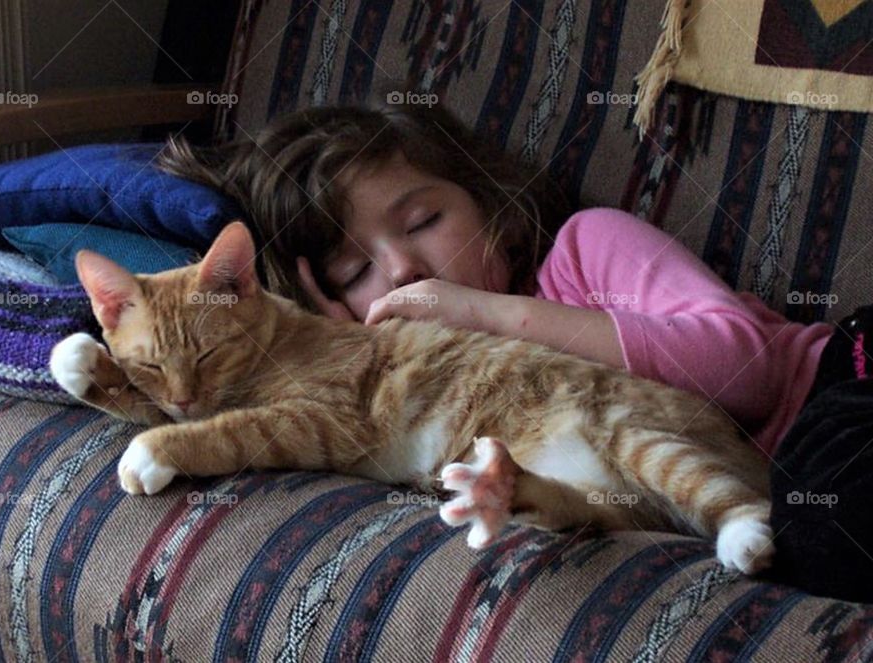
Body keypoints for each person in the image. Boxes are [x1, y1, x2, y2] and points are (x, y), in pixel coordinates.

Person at [158, 100, 873, 602]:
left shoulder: (587, 250)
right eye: (353, 273)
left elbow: (745, 367)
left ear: (488, 201)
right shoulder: (431, 394)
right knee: (817, 538)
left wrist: (486, 313)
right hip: (752, 489)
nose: (403, 269)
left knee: (829, 512)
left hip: (840, 380)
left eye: (425, 220)